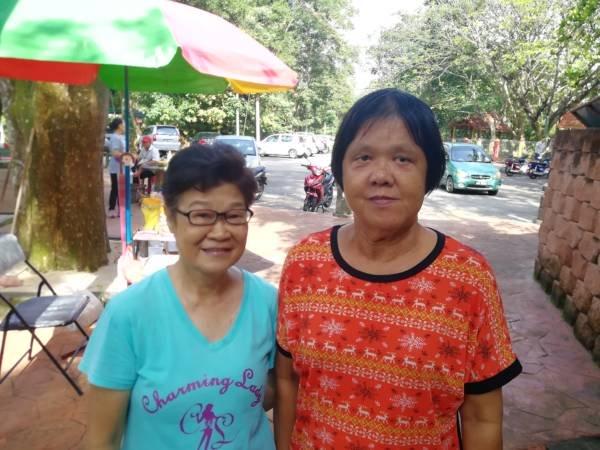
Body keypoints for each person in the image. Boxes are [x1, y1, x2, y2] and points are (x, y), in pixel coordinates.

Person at [275, 88, 522, 450]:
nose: (381, 175)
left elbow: (481, 417)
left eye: (403, 159)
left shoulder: (468, 277)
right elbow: (287, 381)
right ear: (340, 170)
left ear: (430, 172)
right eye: (363, 157)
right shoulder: (304, 262)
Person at [80, 143, 278, 450]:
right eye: (201, 215)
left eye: (234, 215)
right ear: (171, 218)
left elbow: (272, 391)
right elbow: (102, 440)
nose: (220, 232)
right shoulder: (129, 314)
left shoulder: (268, 303)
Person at [106, 117, 125, 218]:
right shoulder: (115, 137)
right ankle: (111, 209)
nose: (125, 125)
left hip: (123, 166)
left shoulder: (122, 137)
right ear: (119, 125)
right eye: (123, 123)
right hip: (116, 167)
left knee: (121, 189)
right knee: (115, 188)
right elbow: (115, 153)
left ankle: (120, 210)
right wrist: (127, 156)